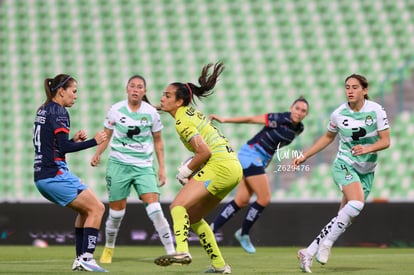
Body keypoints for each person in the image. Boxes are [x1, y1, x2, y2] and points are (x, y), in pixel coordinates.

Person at [294, 74, 390, 273]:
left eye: (355, 87)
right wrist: (305, 155)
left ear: (364, 90)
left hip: (367, 170)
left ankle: (308, 252)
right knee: (356, 204)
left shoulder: (376, 111)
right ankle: (327, 244)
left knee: (344, 216)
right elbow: (328, 137)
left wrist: (368, 149)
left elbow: (385, 141)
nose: (350, 91)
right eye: (347, 87)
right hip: (344, 164)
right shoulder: (338, 113)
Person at [153, 62, 242, 274]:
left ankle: (182, 251)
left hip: (218, 164)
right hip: (233, 167)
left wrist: (184, 172)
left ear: (179, 100)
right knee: (192, 217)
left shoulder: (181, 121)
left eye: (167, 95)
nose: (162, 98)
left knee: (177, 207)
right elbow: (204, 152)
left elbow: (204, 152)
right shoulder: (188, 113)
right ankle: (220, 265)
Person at [90, 75, 175, 263]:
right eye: (132, 86)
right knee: (116, 213)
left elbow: (158, 141)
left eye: (140, 87)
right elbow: (106, 135)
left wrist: (162, 168)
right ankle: (109, 248)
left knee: (155, 208)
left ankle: (172, 252)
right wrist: (98, 153)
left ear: (144, 91)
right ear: (127, 89)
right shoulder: (115, 110)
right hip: (118, 164)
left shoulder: (151, 112)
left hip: (143, 166)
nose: (136, 89)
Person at [209, 97, 309, 254]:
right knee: (264, 198)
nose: (299, 112)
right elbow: (250, 119)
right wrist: (224, 119)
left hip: (260, 160)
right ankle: (243, 233)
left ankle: (212, 228)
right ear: (291, 108)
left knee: (241, 200)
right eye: (297, 108)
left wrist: (266, 164)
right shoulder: (279, 118)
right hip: (251, 154)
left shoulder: (299, 129)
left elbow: (275, 146)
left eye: (303, 111)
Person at [33, 74, 108, 272]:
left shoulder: (43, 109)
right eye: (73, 91)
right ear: (61, 91)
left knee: (86, 210)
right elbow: (64, 148)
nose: (75, 96)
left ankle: (80, 259)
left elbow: (55, 146)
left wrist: (74, 140)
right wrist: (94, 141)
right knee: (97, 208)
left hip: (42, 175)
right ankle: (87, 257)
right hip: (54, 173)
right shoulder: (59, 112)